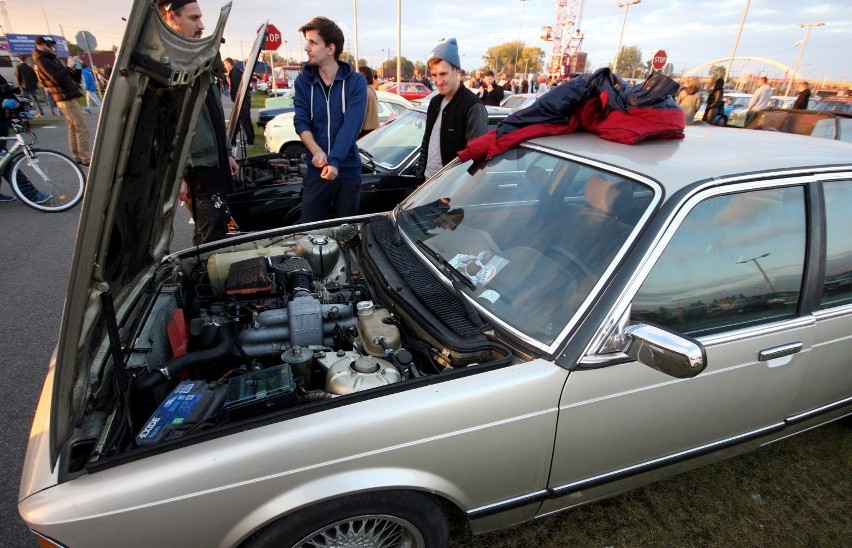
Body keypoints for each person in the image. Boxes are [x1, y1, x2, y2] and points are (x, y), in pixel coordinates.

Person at [159, 0, 238, 245]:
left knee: (214, 229)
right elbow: (165, 127)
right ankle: (205, 280)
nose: (201, 25)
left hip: (214, 164)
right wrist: (177, 175)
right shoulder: (166, 65)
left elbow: (213, 112)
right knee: (211, 236)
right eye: (193, 18)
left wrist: (226, 153)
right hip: (195, 172)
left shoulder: (199, 59)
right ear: (172, 17)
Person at [293, 16, 367, 223]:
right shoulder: (303, 82)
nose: (307, 48)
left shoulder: (356, 82)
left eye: (313, 42)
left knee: (344, 233)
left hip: (348, 172)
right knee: (309, 232)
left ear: (330, 48)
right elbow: (301, 121)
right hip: (316, 172)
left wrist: (334, 161)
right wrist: (316, 151)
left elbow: (351, 125)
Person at [415, 38, 488, 181]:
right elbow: (426, 144)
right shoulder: (435, 102)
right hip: (427, 186)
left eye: (443, 74)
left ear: (457, 70)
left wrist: (452, 193)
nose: (438, 81)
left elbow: (476, 159)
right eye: (434, 75)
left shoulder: (473, 106)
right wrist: (419, 180)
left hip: (450, 193)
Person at [32, 36, 91, 166]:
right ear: (40, 46)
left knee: (74, 128)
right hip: (65, 98)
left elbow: (72, 77)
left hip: (68, 96)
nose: (51, 47)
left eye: (52, 45)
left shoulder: (52, 59)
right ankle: (86, 158)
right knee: (81, 129)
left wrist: (77, 66)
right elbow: (55, 79)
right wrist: (68, 67)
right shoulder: (42, 61)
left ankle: (77, 156)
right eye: (48, 45)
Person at [222, 57, 254, 146]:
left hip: (241, 100)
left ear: (228, 64)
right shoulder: (235, 72)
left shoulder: (235, 74)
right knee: (241, 120)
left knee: (244, 120)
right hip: (243, 99)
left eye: (225, 65)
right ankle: (233, 138)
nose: (224, 67)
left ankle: (250, 141)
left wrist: (237, 101)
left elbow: (237, 89)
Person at [358, 65, 379, 138]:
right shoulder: (371, 89)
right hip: (372, 129)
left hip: (365, 130)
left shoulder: (365, 91)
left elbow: (361, 113)